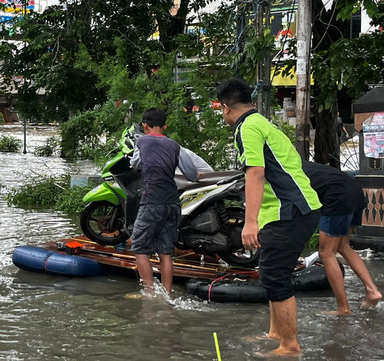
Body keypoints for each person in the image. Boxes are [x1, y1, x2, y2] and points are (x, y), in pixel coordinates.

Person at [217, 78, 321, 357]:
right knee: (272, 270)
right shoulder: (261, 123)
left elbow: (255, 172)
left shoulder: (247, 128)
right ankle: (276, 332)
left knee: (275, 275)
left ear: (226, 108)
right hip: (294, 209)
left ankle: (290, 346)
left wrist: (250, 223)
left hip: (289, 211)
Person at [129, 108, 198, 295]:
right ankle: (167, 295)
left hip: (151, 201)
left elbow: (134, 164)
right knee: (165, 253)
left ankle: (150, 294)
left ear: (144, 125)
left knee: (140, 248)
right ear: (165, 125)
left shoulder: (141, 141)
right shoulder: (175, 146)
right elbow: (192, 175)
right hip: (173, 203)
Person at [302, 161, 382, 314]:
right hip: (354, 191)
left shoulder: (285, 170)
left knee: (326, 253)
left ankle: (343, 308)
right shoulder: (301, 163)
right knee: (343, 246)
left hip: (337, 197)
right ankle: (372, 291)